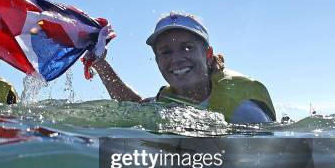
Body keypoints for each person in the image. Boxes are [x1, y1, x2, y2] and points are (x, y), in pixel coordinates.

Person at [90, 12, 275, 123]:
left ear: (208, 55)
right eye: (166, 52)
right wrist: (99, 63)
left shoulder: (244, 111)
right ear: (156, 60)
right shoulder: (168, 99)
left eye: (187, 48)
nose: (176, 59)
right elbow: (133, 104)